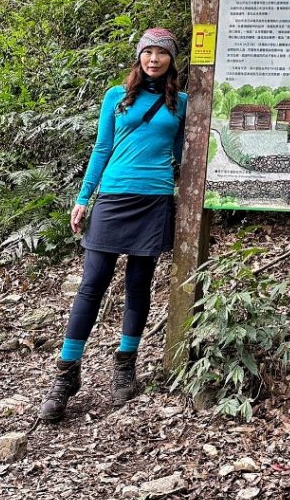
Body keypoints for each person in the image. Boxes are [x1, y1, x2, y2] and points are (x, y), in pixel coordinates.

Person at [39, 27, 188, 422]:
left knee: (138, 287)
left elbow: (180, 155)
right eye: (148, 52)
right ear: (139, 57)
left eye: (162, 53)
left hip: (154, 199)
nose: (154, 59)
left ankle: (125, 368)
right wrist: (83, 198)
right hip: (113, 196)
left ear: (172, 60)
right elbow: (102, 148)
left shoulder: (182, 103)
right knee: (92, 285)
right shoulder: (116, 97)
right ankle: (66, 377)